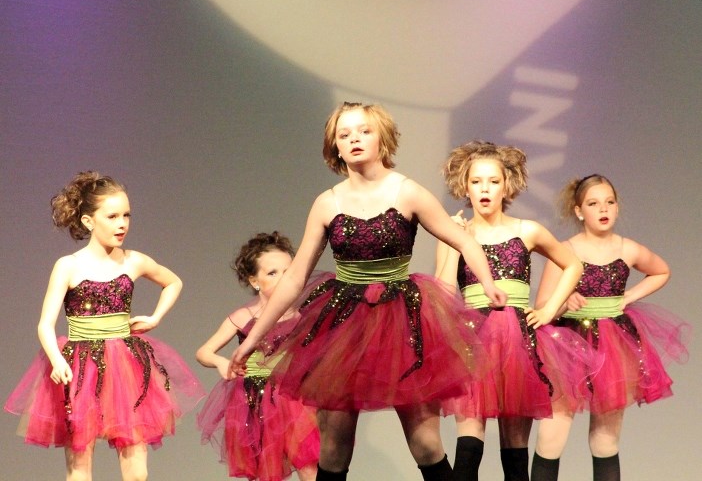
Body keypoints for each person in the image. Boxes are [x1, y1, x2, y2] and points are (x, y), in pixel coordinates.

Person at [230, 102, 508, 481]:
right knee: (335, 442)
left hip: (403, 322)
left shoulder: (407, 192)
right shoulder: (327, 203)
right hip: (344, 326)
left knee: (425, 442)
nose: (354, 139)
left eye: (363, 131)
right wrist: (251, 341)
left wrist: (488, 282)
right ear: (335, 148)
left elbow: (464, 240)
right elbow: (295, 279)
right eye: (344, 135)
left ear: (382, 137)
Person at [4, 171, 204, 481]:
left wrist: (155, 317)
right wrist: (57, 360)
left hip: (126, 366)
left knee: (137, 472)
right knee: (80, 470)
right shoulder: (68, 265)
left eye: (126, 215)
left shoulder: (133, 261)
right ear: (88, 221)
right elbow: (45, 324)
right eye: (112, 216)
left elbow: (173, 282)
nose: (122, 223)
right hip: (80, 368)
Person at [435, 141, 599, 481]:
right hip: (471, 339)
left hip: (517, 343)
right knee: (468, 448)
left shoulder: (527, 231)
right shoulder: (454, 234)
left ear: (506, 185)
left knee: (514, 451)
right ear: (464, 185)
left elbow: (573, 265)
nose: (485, 189)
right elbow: (444, 290)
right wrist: (454, 240)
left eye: (493, 181)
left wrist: (550, 308)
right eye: (477, 181)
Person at [531, 174, 690, 481]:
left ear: (617, 207)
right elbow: (544, 307)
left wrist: (629, 295)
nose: (603, 209)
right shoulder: (565, 251)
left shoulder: (627, 249)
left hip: (612, 347)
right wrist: (564, 301)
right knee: (552, 435)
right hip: (569, 346)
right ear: (579, 211)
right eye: (593, 203)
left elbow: (660, 271)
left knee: (606, 439)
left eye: (609, 202)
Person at [196, 231, 319, 481]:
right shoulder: (244, 316)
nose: (283, 279)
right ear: (254, 281)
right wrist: (220, 362)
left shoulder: (303, 313)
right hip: (254, 402)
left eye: (288, 271)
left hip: (295, 399)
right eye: (272, 273)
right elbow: (203, 352)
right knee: (265, 470)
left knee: (309, 466)